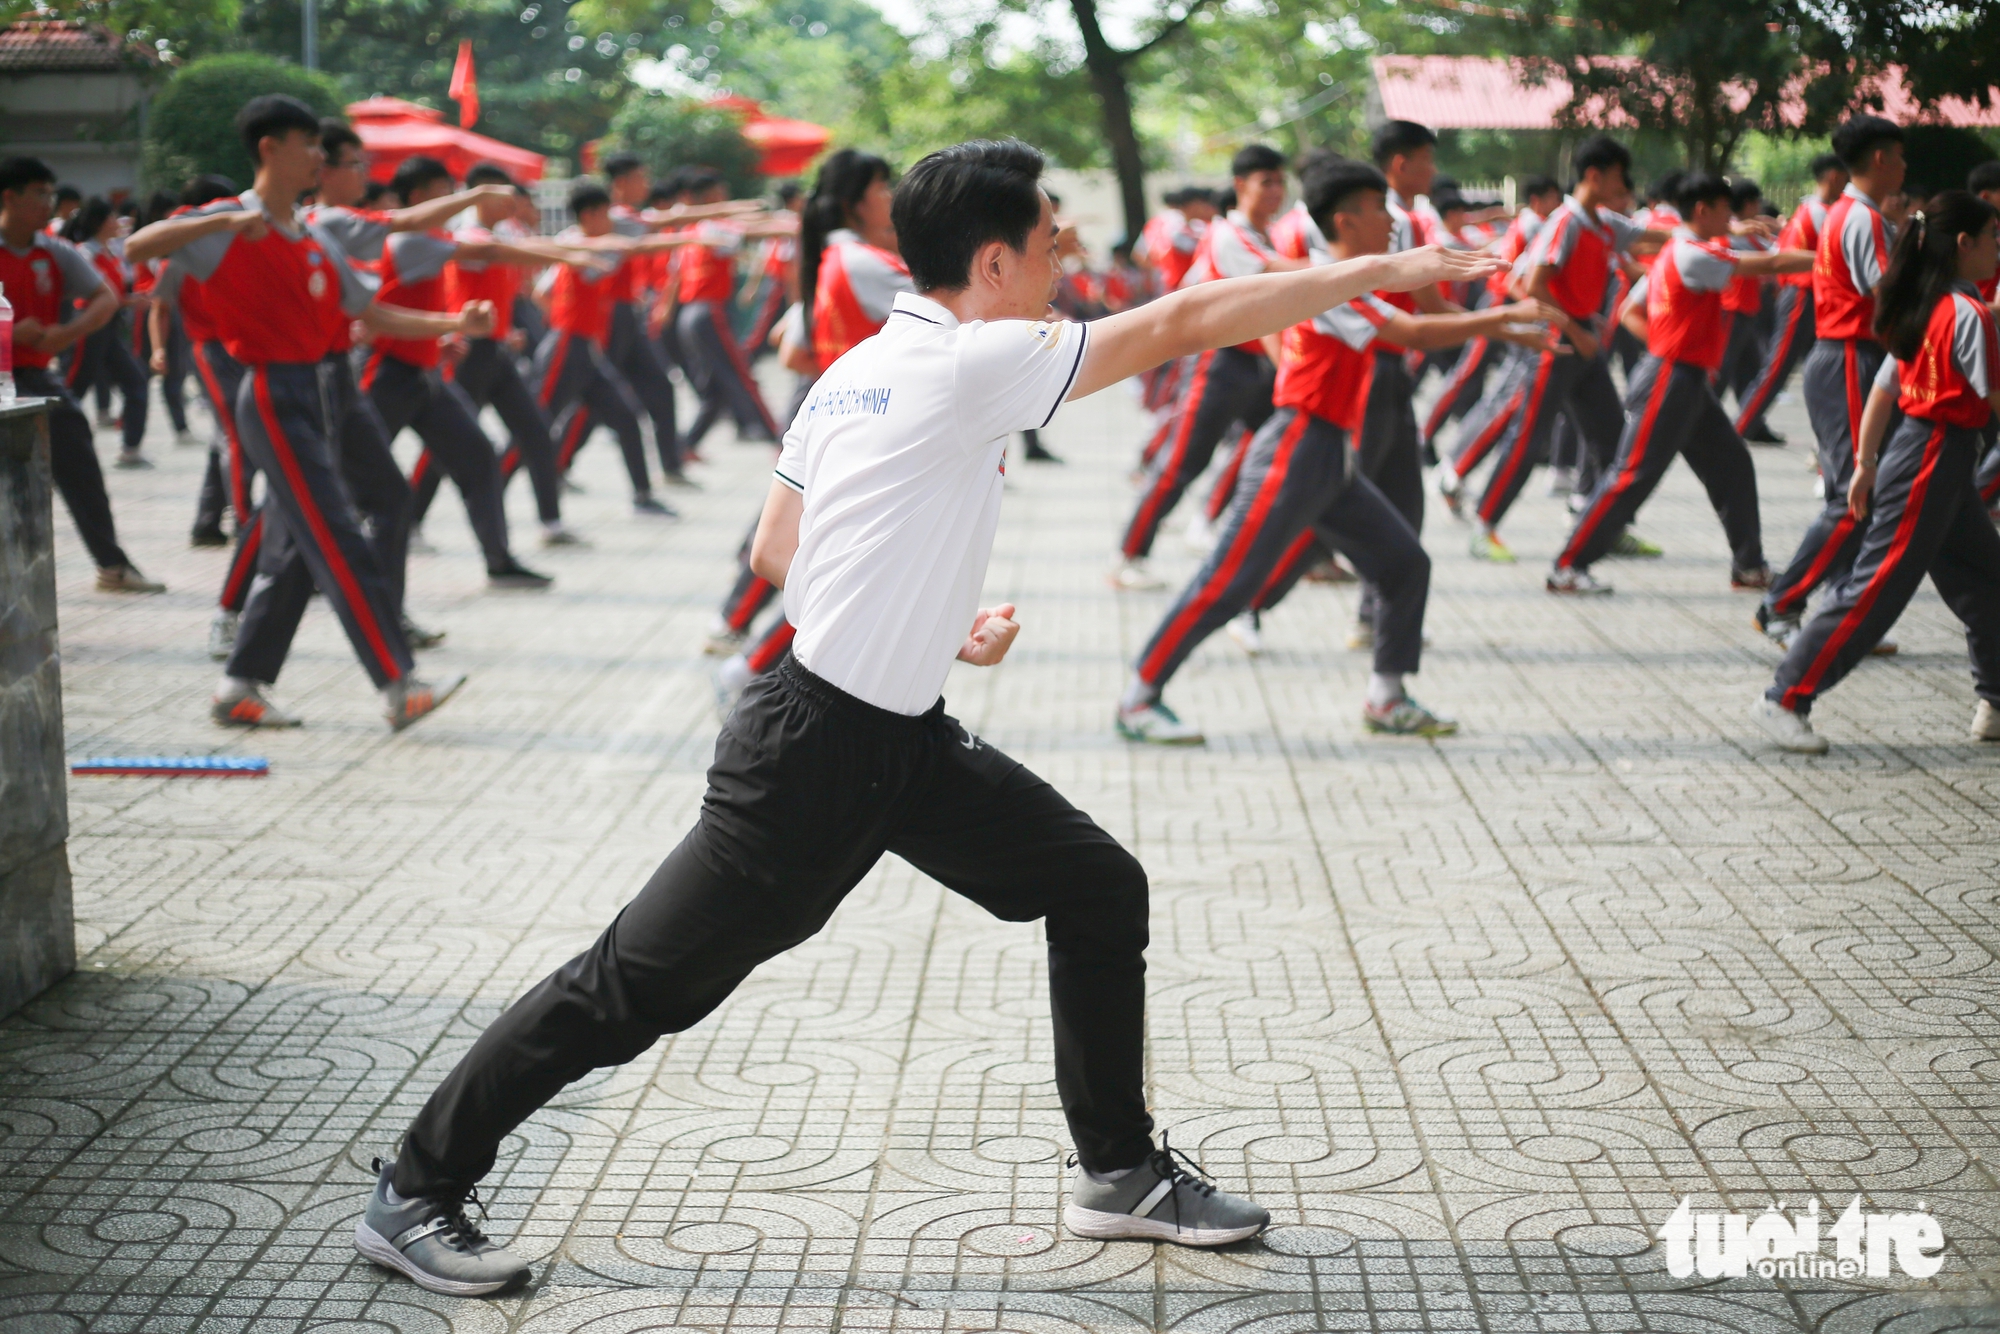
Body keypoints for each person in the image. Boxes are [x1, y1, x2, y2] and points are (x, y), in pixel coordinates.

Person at [351, 137, 1494, 1299]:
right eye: (1049, 241)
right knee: (628, 988)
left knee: (1096, 883)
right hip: (812, 756)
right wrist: (1373, 275)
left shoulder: (851, 371)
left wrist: (935, 620)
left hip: (897, 739)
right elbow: (1191, 318)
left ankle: (1117, 1172)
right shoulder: (976, 361)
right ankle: (417, 1184)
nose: (1064, 258)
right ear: (991, 263)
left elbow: (776, 550)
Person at [1117, 158, 1534, 743]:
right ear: (1346, 219)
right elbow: (1411, 333)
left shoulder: (1342, 279)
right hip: (1296, 446)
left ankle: (1386, 698)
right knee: (1228, 579)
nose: (1391, 221)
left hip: (1330, 452)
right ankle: (1139, 696)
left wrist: (1505, 323)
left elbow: (1416, 321)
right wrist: (1504, 318)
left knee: (1404, 564)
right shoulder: (1327, 283)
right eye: (1377, 209)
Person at [125, 95, 484, 729]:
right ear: (270, 149)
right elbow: (140, 247)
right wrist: (223, 226)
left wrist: (456, 320)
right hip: (276, 395)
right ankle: (398, 684)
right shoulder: (229, 219)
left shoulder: (315, 232)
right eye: (310, 146)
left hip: (334, 392)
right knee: (335, 532)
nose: (320, 157)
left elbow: (369, 315)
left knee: (358, 513)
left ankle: (239, 685)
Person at [1753, 189, 2000, 753]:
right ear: (1964, 244)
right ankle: (1784, 698)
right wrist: (1867, 464)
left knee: (1988, 579)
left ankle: (1996, 702)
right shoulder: (1966, 313)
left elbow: (1886, 389)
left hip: (1931, 456)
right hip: (1932, 456)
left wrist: (1867, 463)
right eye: (1993, 239)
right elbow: (1994, 400)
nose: (1997, 251)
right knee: (1876, 587)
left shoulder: (1930, 303)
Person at [1545, 172, 1813, 595]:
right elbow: (1774, 263)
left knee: (1733, 464)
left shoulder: (1679, 249)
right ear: (1704, 211)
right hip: (1672, 379)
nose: (1732, 217)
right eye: (1726, 209)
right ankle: (1567, 566)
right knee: (1633, 475)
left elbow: (1631, 311)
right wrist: (1830, 259)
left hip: (1683, 378)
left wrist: (1668, 347)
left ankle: (1749, 567)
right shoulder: (1690, 253)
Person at [705, 149, 903, 676]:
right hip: (855, 419)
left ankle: (741, 639)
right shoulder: (864, 262)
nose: (893, 197)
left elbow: (789, 346)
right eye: (884, 188)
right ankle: (748, 661)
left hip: (828, 406)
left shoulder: (837, 258)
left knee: (810, 540)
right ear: (853, 203)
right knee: (836, 559)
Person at [1439, 135, 1668, 563]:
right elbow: (1530, 285)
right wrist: (1572, 328)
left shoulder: (1602, 222)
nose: (1624, 186)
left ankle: (1606, 526)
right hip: (1555, 342)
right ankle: (1485, 527)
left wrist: (1709, 235)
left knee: (1612, 435)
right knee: (1529, 437)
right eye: (1618, 177)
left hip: (1583, 340)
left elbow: (1648, 238)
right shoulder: (1565, 222)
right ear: (1594, 176)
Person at [363, 155, 570, 590]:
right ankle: (320, 562)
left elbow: (440, 293)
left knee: (482, 454)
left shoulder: (434, 238)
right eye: (447, 193)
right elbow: (487, 253)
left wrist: (446, 333)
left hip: (434, 367)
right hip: (394, 371)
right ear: (419, 197)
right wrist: (575, 252)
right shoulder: (416, 239)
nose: (508, 203)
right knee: (351, 475)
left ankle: (501, 559)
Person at [1115, 144, 1308, 591]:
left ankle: (1277, 545)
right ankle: (1130, 555)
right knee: (1183, 461)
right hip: (1220, 362)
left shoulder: (1268, 233)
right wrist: (1356, 263)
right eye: (1267, 182)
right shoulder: (1227, 234)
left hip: (1258, 363)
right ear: (1240, 186)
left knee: (1289, 451)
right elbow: (1282, 276)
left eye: (1281, 182)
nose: (1276, 191)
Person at [1755, 116, 1907, 650]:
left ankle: (1842, 613)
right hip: (1848, 357)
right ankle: (1781, 603)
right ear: (1882, 159)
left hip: (1856, 358)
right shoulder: (1860, 217)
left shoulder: (1857, 214)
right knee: (1851, 496)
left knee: (1867, 493)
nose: (1906, 168)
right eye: (1901, 156)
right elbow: (1885, 295)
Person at [0, 156, 162, 593]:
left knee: (78, 455)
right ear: (9, 197)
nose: (47, 204)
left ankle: (112, 565)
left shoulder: (54, 250)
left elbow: (104, 299)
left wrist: (63, 333)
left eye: (50, 195)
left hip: (34, 376)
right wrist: (11, 332)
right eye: (39, 194)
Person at [435, 162, 586, 548]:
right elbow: (495, 254)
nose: (513, 203)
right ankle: (416, 516)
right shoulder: (469, 236)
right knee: (446, 439)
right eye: (504, 194)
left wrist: (508, 330)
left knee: (535, 431)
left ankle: (550, 522)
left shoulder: (497, 234)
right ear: (481, 194)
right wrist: (571, 250)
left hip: (496, 350)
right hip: (470, 351)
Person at [1426, 175, 1561, 461]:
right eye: (1553, 197)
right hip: (1501, 301)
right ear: (1539, 199)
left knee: (1486, 380)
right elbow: (1514, 275)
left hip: (1504, 301)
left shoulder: (1528, 220)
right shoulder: (1536, 223)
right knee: (1467, 375)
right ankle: (1427, 438)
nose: (1558, 203)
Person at [1732, 153, 1849, 443]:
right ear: (1834, 177)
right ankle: (1742, 426)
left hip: (1807, 296)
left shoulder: (1806, 208)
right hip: (1802, 295)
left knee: (1817, 371)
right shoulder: (1820, 211)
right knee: (1777, 367)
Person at [60, 197, 153, 469]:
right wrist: (129, 301)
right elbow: (90, 293)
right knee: (73, 388)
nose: (119, 222)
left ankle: (130, 449)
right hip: (89, 327)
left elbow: (118, 289)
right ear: (100, 222)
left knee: (136, 383)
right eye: (113, 217)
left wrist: (130, 299)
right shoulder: (84, 253)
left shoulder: (113, 251)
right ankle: (56, 446)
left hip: (110, 327)